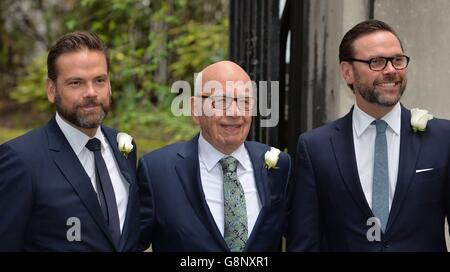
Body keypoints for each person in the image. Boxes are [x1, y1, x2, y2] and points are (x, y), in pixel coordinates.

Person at [287, 19, 450, 251]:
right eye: (377, 62)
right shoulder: (315, 148)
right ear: (347, 72)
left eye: (397, 60)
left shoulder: (443, 138)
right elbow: (305, 243)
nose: (391, 70)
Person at [0, 31, 140, 251]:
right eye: (76, 83)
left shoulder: (125, 147)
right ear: (51, 90)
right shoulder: (20, 160)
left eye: (100, 80)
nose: (91, 92)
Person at [138, 60, 291, 251]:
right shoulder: (158, 172)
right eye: (221, 101)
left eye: (244, 101)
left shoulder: (279, 167)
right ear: (195, 109)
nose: (234, 112)